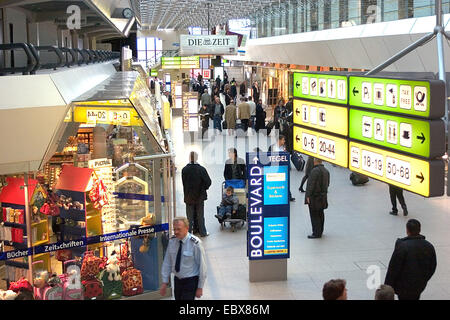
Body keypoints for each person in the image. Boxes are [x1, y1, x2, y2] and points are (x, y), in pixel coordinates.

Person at [384, 219, 437, 300]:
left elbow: (393, 269)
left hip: (403, 287)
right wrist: (424, 279)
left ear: (407, 230)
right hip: (419, 285)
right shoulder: (429, 246)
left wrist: (387, 286)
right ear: (419, 230)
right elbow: (432, 266)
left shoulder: (402, 247)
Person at [160, 216, 207, 300]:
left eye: (179, 229)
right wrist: (164, 281)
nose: (176, 232)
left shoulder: (195, 243)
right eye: (175, 229)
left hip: (190, 281)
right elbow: (167, 262)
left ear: (187, 228)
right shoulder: (172, 242)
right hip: (177, 280)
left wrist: (200, 287)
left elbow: (202, 267)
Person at [181, 152, 212, 237]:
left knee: (189, 217)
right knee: (200, 215)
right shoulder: (201, 169)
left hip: (188, 196)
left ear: (189, 158)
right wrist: (203, 188)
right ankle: (202, 232)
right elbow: (208, 182)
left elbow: (184, 182)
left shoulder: (184, 169)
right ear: (197, 158)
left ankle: (189, 233)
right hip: (200, 196)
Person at [305, 158, 330, 238]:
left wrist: (308, 196)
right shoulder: (326, 171)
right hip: (323, 197)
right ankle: (320, 231)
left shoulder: (314, 171)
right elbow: (328, 183)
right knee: (321, 214)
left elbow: (310, 185)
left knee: (314, 215)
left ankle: (316, 233)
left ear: (315, 161)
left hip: (314, 197)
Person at [269, 135, 295, 202]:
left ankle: (289, 196)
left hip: (283, 168)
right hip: (275, 167)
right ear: (279, 140)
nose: (284, 141)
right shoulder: (272, 147)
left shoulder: (284, 147)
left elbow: (286, 157)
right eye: (283, 140)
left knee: (285, 182)